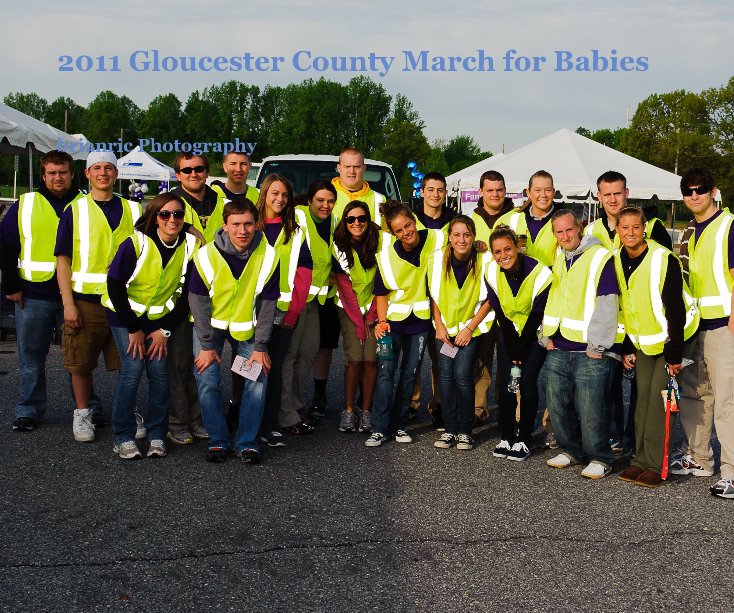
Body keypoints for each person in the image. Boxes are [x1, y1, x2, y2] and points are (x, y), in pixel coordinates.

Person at [54, 151, 141, 442]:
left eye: (109, 168)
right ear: (88, 174)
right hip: (85, 301)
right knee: (80, 362)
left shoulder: (133, 210)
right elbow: (63, 260)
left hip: (123, 303)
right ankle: (83, 413)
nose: (103, 173)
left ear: (117, 174)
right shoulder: (75, 211)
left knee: (128, 364)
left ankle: (125, 412)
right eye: (97, 168)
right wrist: (68, 304)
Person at [102, 193, 197, 459]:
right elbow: (115, 285)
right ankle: (123, 436)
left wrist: (163, 331)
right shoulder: (135, 243)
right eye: (165, 214)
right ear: (155, 217)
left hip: (159, 321)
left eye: (178, 214)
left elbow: (187, 296)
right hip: (124, 316)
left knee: (160, 374)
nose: (172, 220)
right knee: (132, 370)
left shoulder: (189, 245)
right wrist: (134, 329)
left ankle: (157, 435)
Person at [585, 171, 673, 453]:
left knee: (641, 390)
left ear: (627, 193)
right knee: (607, 385)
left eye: (617, 193)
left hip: (643, 325)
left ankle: (637, 443)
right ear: (599, 197)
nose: (613, 199)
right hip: (610, 322)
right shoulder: (591, 232)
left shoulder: (654, 228)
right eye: (607, 194)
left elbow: (663, 276)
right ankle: (613, 436)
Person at [0, 150, 86, 431]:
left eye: (63, 172)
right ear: (43, 175)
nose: (58, 178)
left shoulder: (85, 204)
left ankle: (86, 408)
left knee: (78, 358)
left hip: (75, 295)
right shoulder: (25, 203)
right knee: (31, 357)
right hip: (33, 293)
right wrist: (11, 285)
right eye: (52, 172)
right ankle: (29, 409)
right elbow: (7, 245)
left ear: (72, 174)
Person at [613, 206, 698, 487]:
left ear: (644, 228)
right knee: (642, 401)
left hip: (672, 339)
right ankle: (640, 459)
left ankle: (655, 465)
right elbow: (625, 308)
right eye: (624, 227)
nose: (630, 233)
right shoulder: (617, 259)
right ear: (617, 230)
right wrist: (627, 346)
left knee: (659, 404)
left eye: (635, 227)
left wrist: (674, 355)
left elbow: (675, 309)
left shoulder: (664, 259)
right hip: (644, 341)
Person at [189, 197, 278, 464]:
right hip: (210, 328)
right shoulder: (206, 254)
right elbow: (197, 299)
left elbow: (267, 302)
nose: (243, 231)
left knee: (256, 381)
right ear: (225, 225)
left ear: (256, 224)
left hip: (247, 329)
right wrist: (206, 345)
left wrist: (261, 347)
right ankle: (218, 441)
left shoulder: (269, 254)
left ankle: (246, 442)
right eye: (236, 224)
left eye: (248, 224)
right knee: (207, 380)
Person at [304, 147, 387, 419]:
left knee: (363, 352)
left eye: (357, 166)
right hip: (328, 288)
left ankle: (364, 402)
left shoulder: (378, 199)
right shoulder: (328, 194)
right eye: (347, 166)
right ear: (338, 168)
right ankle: (319, 395)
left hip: (363, 290)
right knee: (325, 345)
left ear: (365, 169)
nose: (352, 171)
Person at [541, 209, 622, 479]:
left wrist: (598, 346)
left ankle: (600, 457)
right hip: (559, 345)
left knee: (591, 408)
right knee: (558, 403)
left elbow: (608, 302)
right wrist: (546, 335)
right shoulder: (559, 257)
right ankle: (571, 450)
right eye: (559, 232)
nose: (565, 235)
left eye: (569, 230)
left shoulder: (599, 256)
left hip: (589, 348)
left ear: (580, 228)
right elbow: (555, 299)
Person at [673, 168, 734, 499]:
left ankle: (732, 472)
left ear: (713, 191)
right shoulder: (688, 231)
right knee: (696, 395)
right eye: (688, 189)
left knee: (728, 401)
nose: (694, 194)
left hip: (724, 326)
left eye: (700, 189)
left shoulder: (729, 225)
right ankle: (699, 458)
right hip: (695, 329)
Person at [366, 202, 443, 447]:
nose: (406, 232)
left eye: (408, 225)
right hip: (393, 325)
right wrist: (381, 322)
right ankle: (379, 427)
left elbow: (460, 242)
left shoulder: (435, 239)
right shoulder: (386, 257)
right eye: (399, 230)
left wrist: (479, 245)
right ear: (393, 232)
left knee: (410, 375)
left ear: (414, 221)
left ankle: (400, 425)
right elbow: (381, 292)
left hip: (420, 323)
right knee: (386, 373)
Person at [485, 225, 551, 461]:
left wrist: (521, 348)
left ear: (517, 246)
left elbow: (537, 314)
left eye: (507, 249)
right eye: (497, 252)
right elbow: (499, 309)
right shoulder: (491, 272)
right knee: (506, 385)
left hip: (534, 335)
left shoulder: (540, 272)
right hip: (508, 334)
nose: (503, 255)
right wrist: (512, 345)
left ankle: (524, 438)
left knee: (526, 383)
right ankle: (506, 436)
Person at [165, 153, 218, 445]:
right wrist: (186, 226)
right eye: (187, 170)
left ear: (207, 171)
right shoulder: (170, 204)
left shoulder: (220, 200)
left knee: (205, 366)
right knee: (180, 364)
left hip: (218, 296)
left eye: (198, 169)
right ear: (178, 175)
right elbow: (151, 226)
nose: (193, 174)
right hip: (181, 296)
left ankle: (200, 419)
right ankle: (178, 422)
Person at [255, 173, 311, 447]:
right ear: (264, 193)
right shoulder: (250, 226)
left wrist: (293, 313)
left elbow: (304, 274)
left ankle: (270, 424)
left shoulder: (296, 231)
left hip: (282, 312)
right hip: (250, 312)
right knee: (250, 369)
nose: (279, 199)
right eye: (274, 193)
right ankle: (248, 422)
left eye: (285, 195)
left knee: (274, 370)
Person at [429, 216, 493, 451]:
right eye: (456, 235)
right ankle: (449, 429)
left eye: (466, 234)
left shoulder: (484, 259)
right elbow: (433, 295)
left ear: (474, 236)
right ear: (449, 238)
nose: (461, 239)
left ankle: (465, 431)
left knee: (463, 376)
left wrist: (469, 328)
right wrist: (439, 326)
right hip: (445, 329)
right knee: (445, 376)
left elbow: (490, 299)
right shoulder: (436, 260)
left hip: (470, 329)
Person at [279, 180, 337, 435]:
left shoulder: (334, 222)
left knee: (308, 352)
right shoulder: (299, 216)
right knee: (290, 355)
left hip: (315, 300)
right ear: (310, 201)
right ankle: (285, 412)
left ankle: (295, 404)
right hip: (295, 297)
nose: (325, 205)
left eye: (330, 201)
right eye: (320, 200)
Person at [409, 172, 455, 429]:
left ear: (445, 193)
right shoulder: (411, 219)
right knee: (413, 357)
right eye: (430, 189)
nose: (435, 194)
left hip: (443, 298)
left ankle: (439, 405)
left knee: (440, 357)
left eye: (440, 190)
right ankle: (411, 403)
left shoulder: (454, 221)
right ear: (422, 192)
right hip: (415, 297)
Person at [332, 200, 381, 433]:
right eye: (351, 219)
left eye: (361, 218)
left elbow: (382, 284)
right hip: (349, 309)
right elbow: (345, 290)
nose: (357, 223)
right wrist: (360, 323)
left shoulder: (379, 244)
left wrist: (371, 316)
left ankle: (367, 410)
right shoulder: (339, 245)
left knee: (371, 360)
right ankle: (349, 410)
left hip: (374, 309)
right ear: (345, 221)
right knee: (355, 360)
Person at [470, 170, 514, 426]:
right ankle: (478, 409)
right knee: (482, 358)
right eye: (490, 190)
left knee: (509, 358)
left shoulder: (515, 218)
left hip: (509, 298)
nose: (495, 194)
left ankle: (507, 409)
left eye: (499, 189)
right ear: (481, 192)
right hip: (481, 301)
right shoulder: (471, 219)